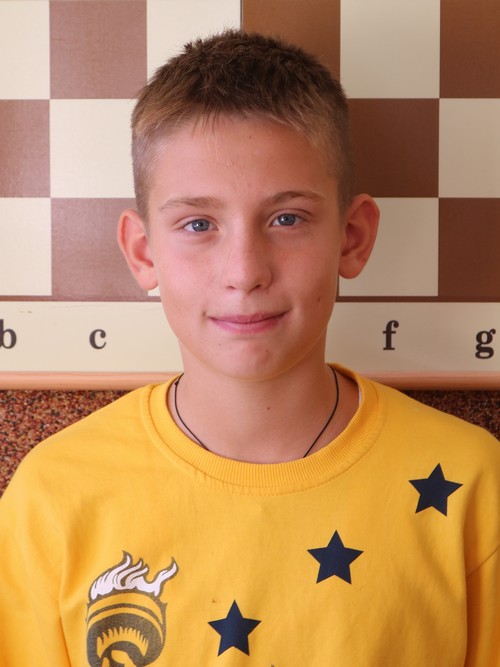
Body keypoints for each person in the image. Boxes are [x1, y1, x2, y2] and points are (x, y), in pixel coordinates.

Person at [0, 30, 499, 666]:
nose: (244, 271)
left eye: (286, 218)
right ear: (144, 252)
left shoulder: (473, 486)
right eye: (198, 224)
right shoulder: (55, 495)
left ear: (351, 238)